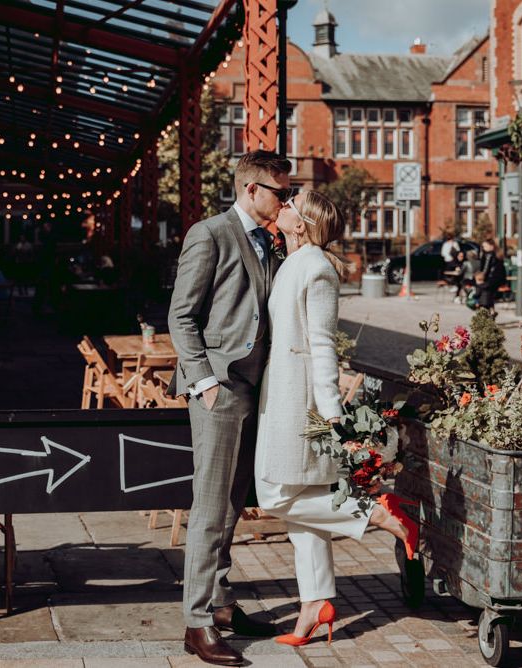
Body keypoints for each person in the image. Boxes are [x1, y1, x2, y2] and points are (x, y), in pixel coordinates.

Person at [254, 191, 418, 648]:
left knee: (274, 496)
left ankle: (377, 514)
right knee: (303, 505)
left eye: (291, 200)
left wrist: (332, 416)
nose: (283, 203)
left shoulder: (318, 269)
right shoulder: (293, 261)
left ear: (302, 222)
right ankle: (316, 604)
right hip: (282, 390)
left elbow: (324, 344)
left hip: (300, 398)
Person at [168, 150, 292, 666]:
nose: (287, 201)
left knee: (233, 506)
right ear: (250, 190)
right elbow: (181, 315)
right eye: (280, 193)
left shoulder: (270, 241)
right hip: (219, 389)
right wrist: (203, 382)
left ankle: (220, 605)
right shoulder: (210, 233)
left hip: (252, 390)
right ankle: (197, 624)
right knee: (210, 509)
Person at [478, 238, 506, 313]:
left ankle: (485, 310)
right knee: (487, 292)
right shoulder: (495, 255)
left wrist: (482, 280)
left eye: (485, 246)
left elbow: (485, 270)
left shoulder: (490, 256)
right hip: (495, 280)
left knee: (484, 289)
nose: (483, 248)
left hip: (493, 280)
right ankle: (491, 310)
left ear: (492, 246)